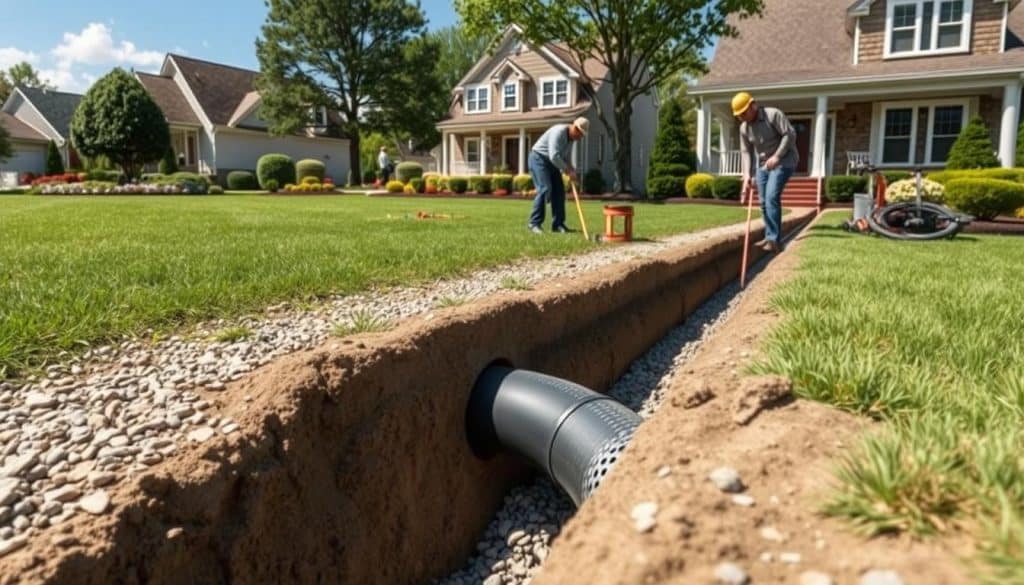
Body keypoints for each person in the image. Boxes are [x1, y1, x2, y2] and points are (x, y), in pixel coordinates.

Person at [733, 91, 797, 253]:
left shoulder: (773, 115)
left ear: (753, 106)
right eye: (738, 115)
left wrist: (777, 156)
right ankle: (770, 236)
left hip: (785, 159)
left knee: (771, 197)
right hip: (763, 164)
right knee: (762, 202)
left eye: (743, 113)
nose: (741, 117)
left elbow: (789, 135)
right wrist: (747, 174)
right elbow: (746, 152)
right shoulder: (744, 128)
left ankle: (774, 240)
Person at [527, 116, 589, 234]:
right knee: (545, 189)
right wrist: (567, 170)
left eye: (582, 135)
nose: (580, 137)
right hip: (538, 159)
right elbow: (554, 156)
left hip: (552, 163)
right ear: (574, 127)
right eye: (580, 133)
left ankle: (558, 225)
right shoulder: (558, 132)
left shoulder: (571, 139)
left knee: (559, 192)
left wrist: (571, 169)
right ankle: (534, 223)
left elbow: (565, 157)